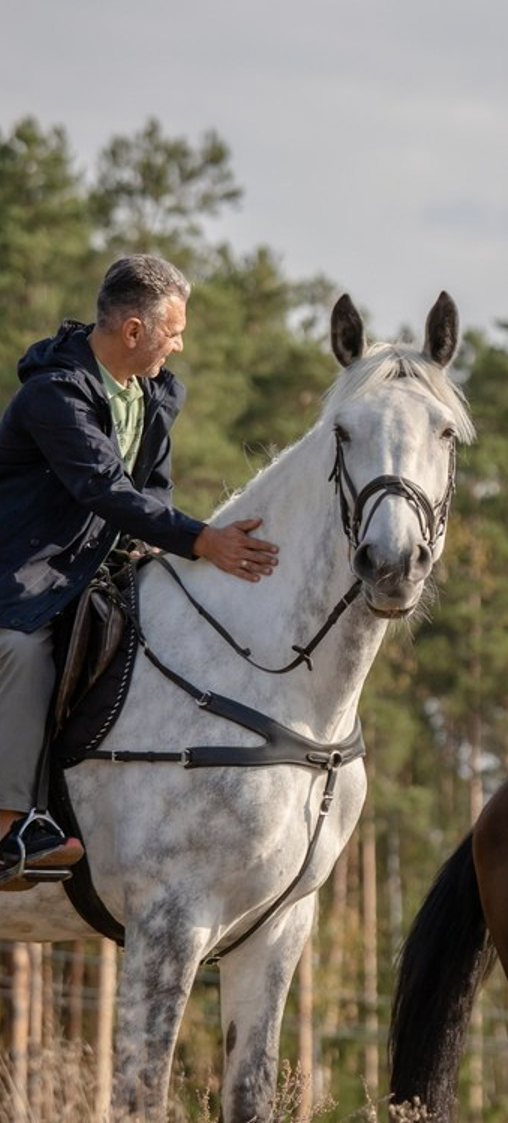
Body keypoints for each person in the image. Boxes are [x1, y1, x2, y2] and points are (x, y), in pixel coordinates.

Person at [0, 254, 280, 887]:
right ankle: (10, 828)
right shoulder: (53, 396)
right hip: (23, 578)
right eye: (173, 331)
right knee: (20, 651)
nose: (179, 344)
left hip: (102, 569)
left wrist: (162, 548)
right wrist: (202, 539)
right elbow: (102, 488)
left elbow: (153, 488)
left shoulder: (155, 393)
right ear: (133, 331)